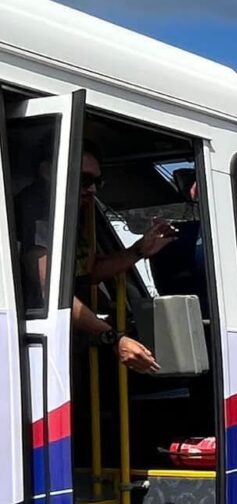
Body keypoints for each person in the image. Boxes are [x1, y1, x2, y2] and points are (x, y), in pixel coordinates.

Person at [14, 142, 174, 372]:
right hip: (37, 349)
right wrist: (113, 338)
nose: (93, 190)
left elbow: (86, 272)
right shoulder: (35, 210)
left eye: (97, 182)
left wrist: (139, 250)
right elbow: (53, 289)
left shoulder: (72, 214)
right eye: (84, 179)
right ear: (48, 172)